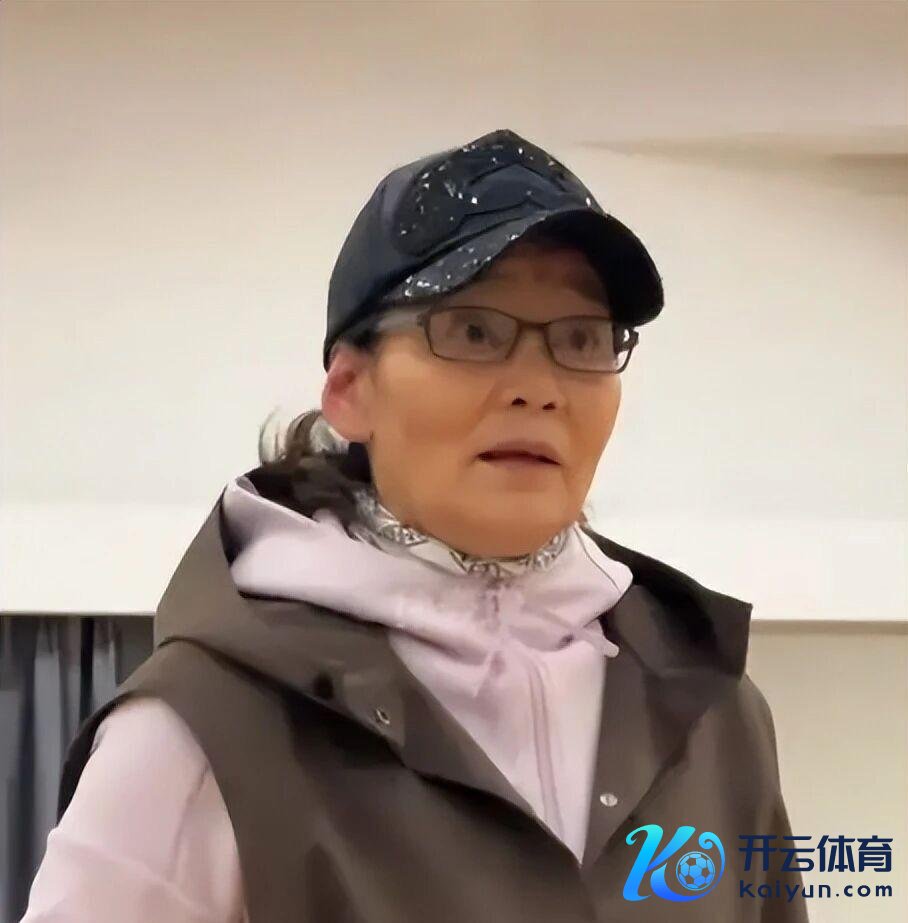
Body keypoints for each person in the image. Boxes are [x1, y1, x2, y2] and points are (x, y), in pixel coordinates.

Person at [20, 128, 809, 922]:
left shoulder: (711, 715)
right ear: (349, 389)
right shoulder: (207, 728)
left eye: (581, 339)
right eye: (473, 332)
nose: (539, 387)